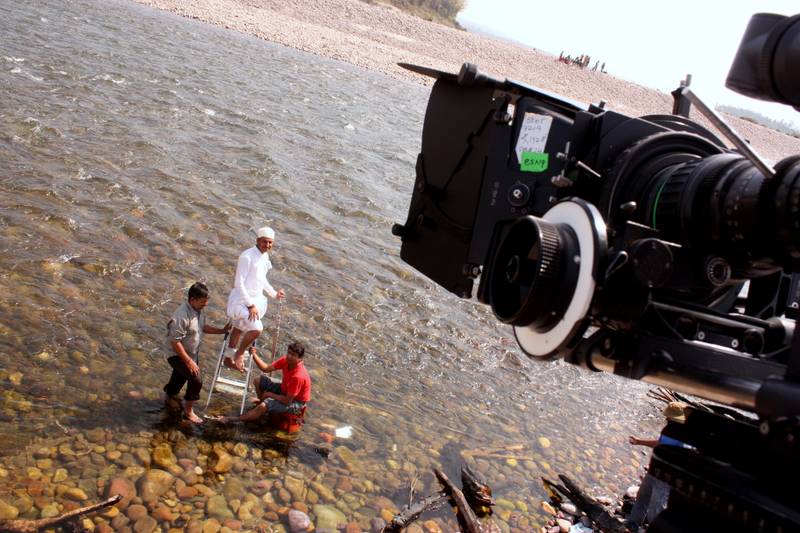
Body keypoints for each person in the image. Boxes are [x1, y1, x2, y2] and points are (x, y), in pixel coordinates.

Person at [164, 282, 230, 424]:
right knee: (196, 380)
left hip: (191, 353)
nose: (204, 305)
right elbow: (175, 342)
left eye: (206, 302)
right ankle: (188, 412)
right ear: (192, 299)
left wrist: (221, 330)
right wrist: (188, 361)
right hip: (177, 355)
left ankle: (168, 397)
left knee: (178, 380)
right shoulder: (181, 316)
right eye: (202, 302)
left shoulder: (198, 310)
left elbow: (202, 327)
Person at [224, 226, 285, 372]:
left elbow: (261, 279)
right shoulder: (247, 256)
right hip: (242, 299)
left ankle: (227, 359)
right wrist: (250, 305)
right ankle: (239, 354)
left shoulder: (264, 256)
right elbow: (238, 283)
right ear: (257, 240)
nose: (268, 245)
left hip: (256, 299)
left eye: (270, 243)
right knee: (257, 329)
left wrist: (274, 293)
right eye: (265, 242)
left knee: (238, 329)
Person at [219, 341, 310, 424]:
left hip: (295, 402)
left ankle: (234, 419)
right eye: (289, 353)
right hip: (285, 388)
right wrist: (254, 355)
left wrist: (270, 394)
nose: (289, 356)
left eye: (293, 355)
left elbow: (287, 401)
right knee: (258, 380)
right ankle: (261, 405)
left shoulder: (298, 376)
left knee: (264, 405)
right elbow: (265, 368)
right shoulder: (285, 361)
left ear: (300, 358)